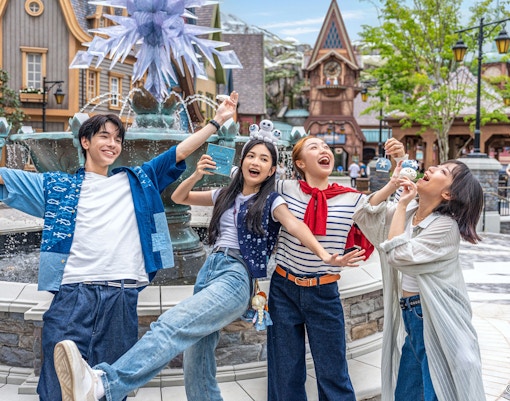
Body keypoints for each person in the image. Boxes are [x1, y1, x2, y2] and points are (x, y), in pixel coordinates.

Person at [52, 134, 365, 401]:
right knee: (197, 352)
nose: (256, 161)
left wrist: (326, 255)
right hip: (210, 270)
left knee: (171, 324)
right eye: (251, 155)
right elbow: (179, 196)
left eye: (264, 159)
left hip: (237, 277)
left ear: (272, 170)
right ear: (242, 162)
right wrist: (196, 173)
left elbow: (297, 227)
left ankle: (103, 384)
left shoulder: (272, 202)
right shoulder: (224, 195)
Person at [0, 91, 238, 401]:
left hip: (122, 297)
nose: (112, 143)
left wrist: (218, 120)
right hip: (73, 295)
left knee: (109, 387)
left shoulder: (136, 181)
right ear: (85, 142)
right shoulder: (57, 185)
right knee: (58, 387)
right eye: (104, 136)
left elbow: (180, 152)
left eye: (117, 139)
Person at [353, 148, 485, 401]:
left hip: (433, 316)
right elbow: (365, 214)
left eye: (443, 171)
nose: (432, 168)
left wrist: (401, 204)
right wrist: (394, 182)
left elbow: (397, 254)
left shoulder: (445, 227)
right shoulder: (413, 212)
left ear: (447, 193)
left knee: (433, 387)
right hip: (412, 314)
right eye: (437, 166)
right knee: (408, 391)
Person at [267, 136, 372, 401]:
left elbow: (380, 208)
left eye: (326, 147)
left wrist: (395, 167)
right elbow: (244, 179)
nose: (324, 149)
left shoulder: (351, 198)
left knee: (333, 372)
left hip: (324, 292)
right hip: (283, 290)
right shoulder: (283, 188)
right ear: (300, 162)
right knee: (285, 371)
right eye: (314, 147)